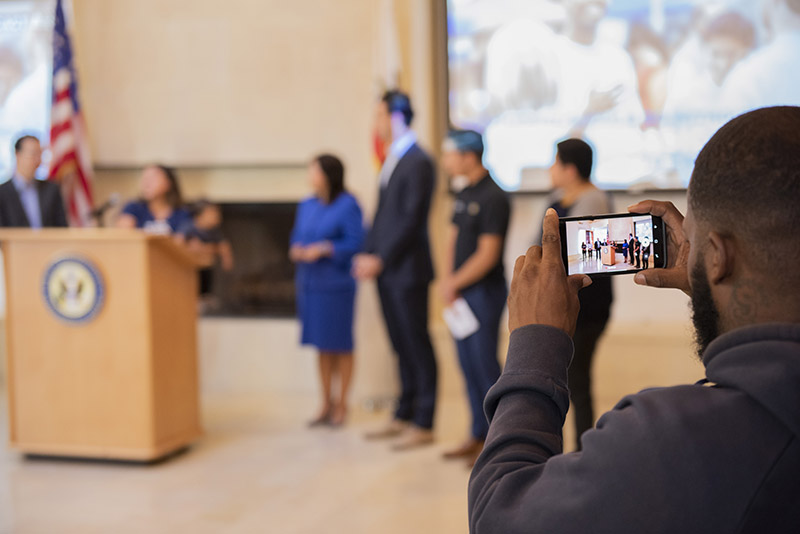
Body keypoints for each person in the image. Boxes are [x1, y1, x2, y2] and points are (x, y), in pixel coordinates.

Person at [468, 106, 800, 532]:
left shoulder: (670, 441)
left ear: (719, 257)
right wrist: (711, 286)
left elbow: (499, 512)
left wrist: (534, 343)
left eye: (695, 242)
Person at [354, 90, 438, 450]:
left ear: (397, 116)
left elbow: (409, 219)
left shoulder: (418, 160)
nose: (376, 123)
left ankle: (424, 420)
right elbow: (383, 215)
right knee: (399, 345)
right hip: (388, 269)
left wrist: (382, 257)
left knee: (416, 342)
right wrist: (368, 252)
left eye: (380, 115)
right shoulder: (392, 158)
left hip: (408, 269)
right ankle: (403, 412)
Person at [439, 130, 510, 467]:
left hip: (483, 292)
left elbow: (488, 253)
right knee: (466, 364)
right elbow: (453, 239)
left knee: (484, 365)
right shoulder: (463, 192)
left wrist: (454, 281)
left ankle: (498, 441)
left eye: (449, 154)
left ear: (468, 155)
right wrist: (446, 282)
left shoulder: (494, 196)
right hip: (461, 292)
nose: (445, 161)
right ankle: (476, 433)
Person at [540, 138, 612, 450]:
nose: (550, 170)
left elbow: (579, 255)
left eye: (555, 163)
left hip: (587, 307)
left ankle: (583, 453)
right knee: (569, 381)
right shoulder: (558, 197)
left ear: (570, 169)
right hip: (565, 303)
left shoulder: (593, 200)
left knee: (577, 382)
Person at [290, 154, 363, 427]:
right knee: (321, 346)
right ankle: (325, 403)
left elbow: (356, 242)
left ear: (328, 174)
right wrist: (297, 248)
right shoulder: (306, 204)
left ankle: (342, 404)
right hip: (311, 285)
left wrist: (325, 249)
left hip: (337, 286)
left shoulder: (348, 205)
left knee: (340, 345)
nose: (310, 175)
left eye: (314, 170)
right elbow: (297, 235)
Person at [0, 135, 67, 228]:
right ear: (17, 155)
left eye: (40, 154)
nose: (38, 160)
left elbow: (62, 227)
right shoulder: (2, 193)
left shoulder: (51, 189)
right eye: (33, 154)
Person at [178, 200, 235, 304]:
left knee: (207, 274)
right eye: (213, 213)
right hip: (189, 265)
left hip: (206, 264)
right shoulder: (188, 227)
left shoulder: (214, 231)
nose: (218, 216)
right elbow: (178, 243)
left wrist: (226, 260)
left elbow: (223, 246)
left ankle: (205, 296)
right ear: (199, 215)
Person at [116, 164, 192, 234]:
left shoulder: (182, 213)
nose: (147, 183)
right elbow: (124, 235)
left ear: (168, 183)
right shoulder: (133, 208)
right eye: (145, 179)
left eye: (153, 179)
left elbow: (183, 243)